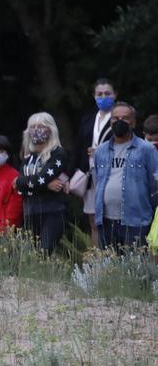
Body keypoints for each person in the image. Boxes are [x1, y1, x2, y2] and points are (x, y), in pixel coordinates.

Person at [93, 102, 158, 250]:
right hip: (106, 221)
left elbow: (156, 185)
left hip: (137, 221)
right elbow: (98, 181)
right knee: (110, 269)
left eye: (125, 118)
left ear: (133, 123)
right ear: (110, 122)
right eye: (115, 118)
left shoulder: (146, 150)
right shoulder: (100, 151)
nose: (119, 121)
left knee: (136, 269)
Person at [14, 112, 70, 254]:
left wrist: (27, 182)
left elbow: (32, 180)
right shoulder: (28, 157)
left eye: (41, 126)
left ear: (50, 129)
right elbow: (19, 186)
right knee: (32, 255)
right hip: (30, 212)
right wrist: (46, 184)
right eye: (33, 127)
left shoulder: (58, 154)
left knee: (44, 253)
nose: (36, 130)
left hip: (52, 211)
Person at [74, 79, 118, 248]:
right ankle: (96, 265)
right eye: (99, 94)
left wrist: (101, 150)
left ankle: (114, 260)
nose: (103, 97)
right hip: (90, 173)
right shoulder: (88, 119)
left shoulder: (121, 117)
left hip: (112, 174)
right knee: (93, 221)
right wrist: (68, 175)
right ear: (94, 96)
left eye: (107, 93)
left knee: (111, 220)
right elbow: (78, 149)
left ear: (115, 95)